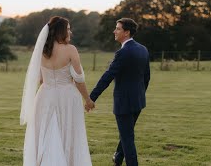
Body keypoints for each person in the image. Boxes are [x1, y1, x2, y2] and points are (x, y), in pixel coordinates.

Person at [20, 16, 94, 166]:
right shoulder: (70, 50)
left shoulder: (41, 50)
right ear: (61, 31)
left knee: (45, 131)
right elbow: (79, 79)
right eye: (67, 29)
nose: (70, 32)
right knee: (68, 131)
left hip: (44, 95)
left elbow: (40, 78)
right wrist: (88, 100)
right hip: (67, 96)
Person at [87, 18, 150, 166]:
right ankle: (118, 159)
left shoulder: (123, 53)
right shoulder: (143, 49)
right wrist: (139, 95)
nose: (114, 31)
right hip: (138, 101)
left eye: (118, 29)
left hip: (124, 103)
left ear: (127, 32)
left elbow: (107, 77)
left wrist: (91, 97)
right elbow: (146, 77)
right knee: (126, 134)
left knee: (128, 139)